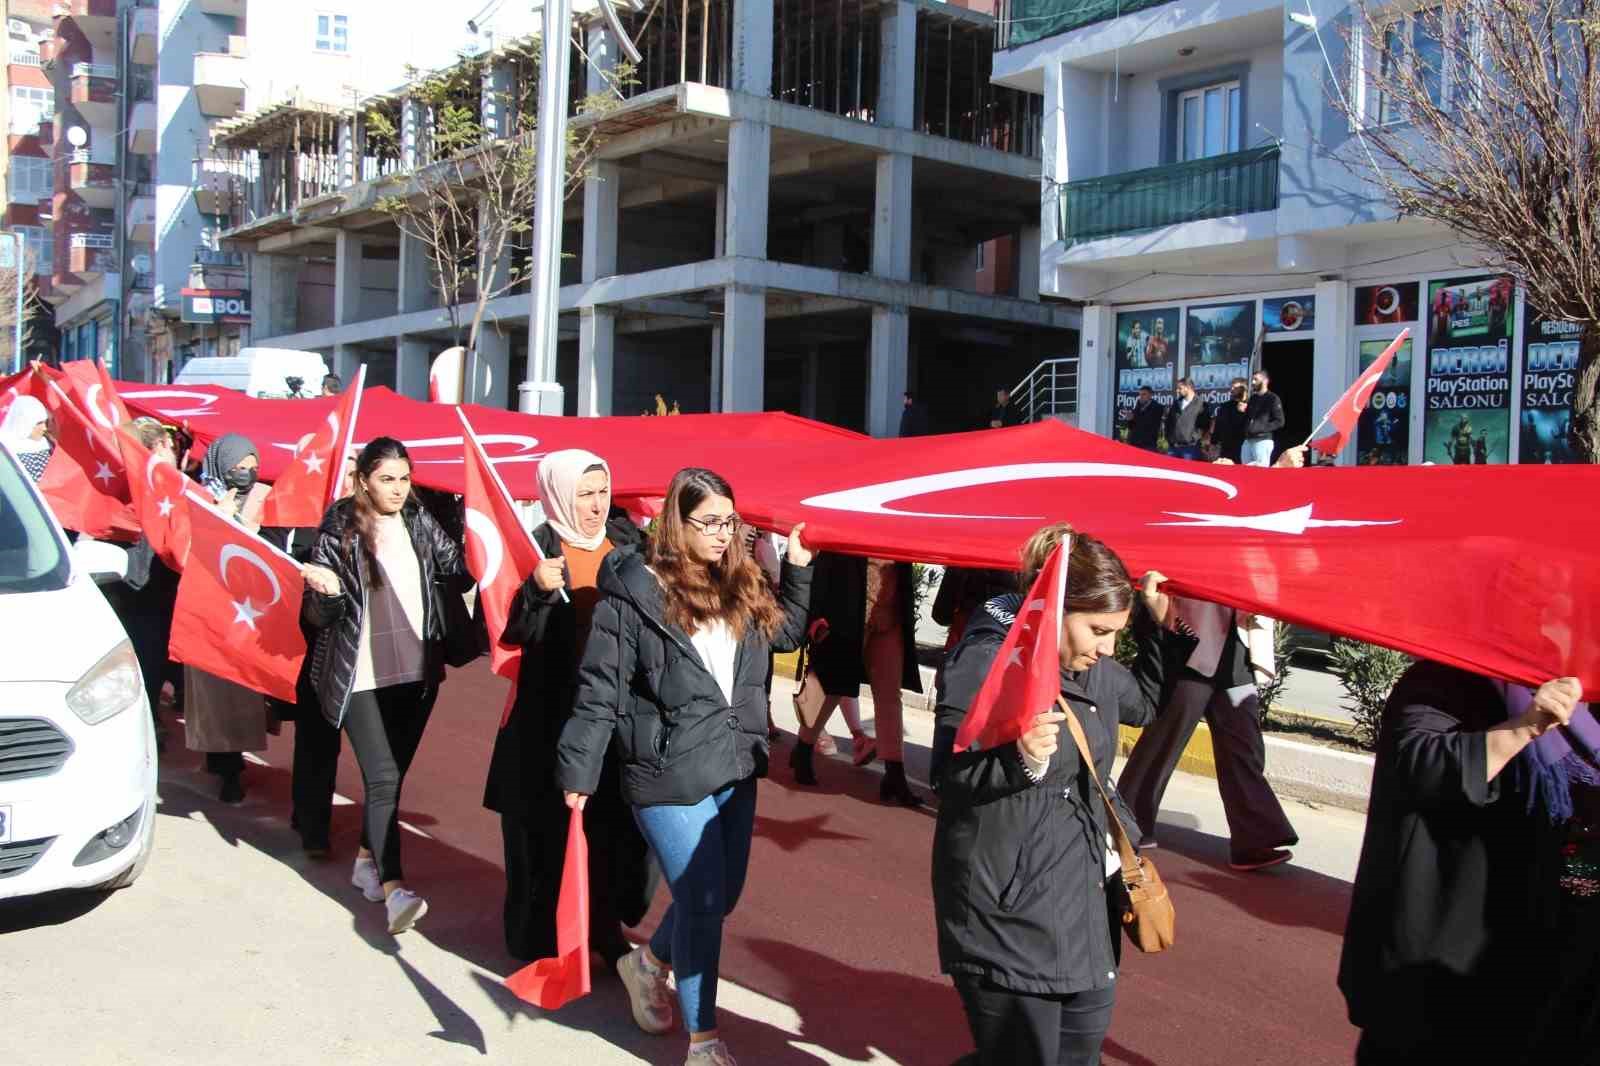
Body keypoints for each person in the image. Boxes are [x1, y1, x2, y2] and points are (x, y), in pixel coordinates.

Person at [558, 468, 814, 1066]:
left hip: (734, 762)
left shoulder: (741, 581)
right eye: (710, 523)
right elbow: (601, 687)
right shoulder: (634, 591)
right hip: (666, 772)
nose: (724, 535)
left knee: (720, 897)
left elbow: (789, 635)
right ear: (678, 522)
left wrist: (799, 569)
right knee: (701, 900)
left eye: (731, 522)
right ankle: (704, 1039)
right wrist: (579, 771)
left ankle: (647, 962)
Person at [931, 524, 1173, 1066]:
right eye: (1097, 630)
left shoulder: (1096, 668)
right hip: (1007, 915)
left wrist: (1157, 630)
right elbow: (949, 776)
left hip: (1085, 906)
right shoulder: (991, 658)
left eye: (1118, 632)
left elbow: (1146, 706)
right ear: (1055, 608)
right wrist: (1021, 761)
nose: (1109, 648)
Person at [1339, 664, 1597, 1061]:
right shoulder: (1446, 677)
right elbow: (1418, 766)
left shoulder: (1589, 699)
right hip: (1449, 958)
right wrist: (1523, 727)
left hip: (1559, 952)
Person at [486, 449, 657, 967]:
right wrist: (536, 593)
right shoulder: (535, 548)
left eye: (602, 491)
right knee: (541, 833)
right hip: (547, 718)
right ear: (558, 495)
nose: (596, 504)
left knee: (615, 831)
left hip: (614, 719)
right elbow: (509, 631)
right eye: (584, 493)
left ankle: (603, 929)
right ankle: (536, 937)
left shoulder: (629, 546)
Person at [300, 437, 469, 935]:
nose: (398, 489)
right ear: (363, 481)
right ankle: (395, 890)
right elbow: (315, 619)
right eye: (387, 479)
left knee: (392, 779)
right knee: (383, 779)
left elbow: (456, 570)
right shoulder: (339, 528)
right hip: (360, 675)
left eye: (405, 478)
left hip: (416, 673)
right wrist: (325, 594)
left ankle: (364, 861)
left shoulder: (418, 520)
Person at [1117, 597, 1299, 869]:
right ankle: (1123, 825)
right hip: (1190, 640)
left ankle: (1254, 840)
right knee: (1164, 738)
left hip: (1238, 649)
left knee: (1244, 744)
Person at [262, 455, 357, 859]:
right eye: (347, 469)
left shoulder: (380, 524)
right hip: (316, 651)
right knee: (318, 742)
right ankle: (312, 823)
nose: (353, 479)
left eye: (358, 470)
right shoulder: (297, 522)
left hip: (364, 653)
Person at [789, 554, 924, 804]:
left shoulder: (903, 516)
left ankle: (895, 774)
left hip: (889, 611)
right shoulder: (854, 515)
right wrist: (817, 614)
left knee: (889, 694)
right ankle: (804, 749)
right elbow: (825, 557)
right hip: (848, 606)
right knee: (833, 684)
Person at [185, 432, 272, 803]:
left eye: (252, 467)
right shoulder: (198, 496)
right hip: (208, 608)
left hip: (247, 610)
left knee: (240, 692)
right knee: (210, 690)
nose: (246, 474)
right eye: (239, 467)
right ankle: (221, 760)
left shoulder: (263, 499)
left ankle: (233, 762)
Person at [116, 419, 183, 751]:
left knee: (152, 653)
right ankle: (148, 720)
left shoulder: (134, 477)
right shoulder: (158, 481)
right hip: (145, 582)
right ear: (158, 446)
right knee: (149, 653)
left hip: (148, 581)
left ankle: (150, 714)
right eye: (169, 445)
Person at [1, 394, 52, 481]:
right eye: (38, 423)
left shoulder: (48, 446)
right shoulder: (3, 451)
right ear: (24, 422)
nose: (44, 428)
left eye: (45, 422)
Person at [1242, 370, 1285, 466]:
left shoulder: (1273, 398)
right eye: (1252, 379)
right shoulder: (1253, 398)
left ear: (1265, 381)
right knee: (1244, 471)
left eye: (1256, 379)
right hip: (1248, 440)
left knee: (1260, 470)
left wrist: (1260, 428)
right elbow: (1248, 419)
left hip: (1262, 440)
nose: (1253, 382)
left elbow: (1280, 421)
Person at [1163, 377, 1207, 460]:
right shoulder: (1176, 403)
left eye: (1180, 388)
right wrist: (1169, 438)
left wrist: (1194, 439)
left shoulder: (1201, 404)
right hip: (1173, 448)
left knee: (1189, 472)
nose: (1177, 391)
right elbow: (1168, 422)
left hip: (1190, 449)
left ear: (1188, 387)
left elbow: (1204, 425)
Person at [1209, 378, 1250, 463]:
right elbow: (1218, 425)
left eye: (1235, 388)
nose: (1231, 390)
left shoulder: (1251, 405)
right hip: (1226, 447)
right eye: (1231, 387)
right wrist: (1213, 442)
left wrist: (1244, 411)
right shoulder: (1225, 406)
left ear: (1243, 389)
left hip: (1243, 445)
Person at [1124, 386, 1165, 450]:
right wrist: (1130, 419)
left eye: (1144, 394)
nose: (1141, 397)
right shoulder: (1137, 407)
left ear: (1151, 395)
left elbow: (1149, 423)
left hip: (1148, 444)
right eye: (1140, 394)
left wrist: (1135, 417)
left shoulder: (1157, 407)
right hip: (1134, 443)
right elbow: (1131, 427)